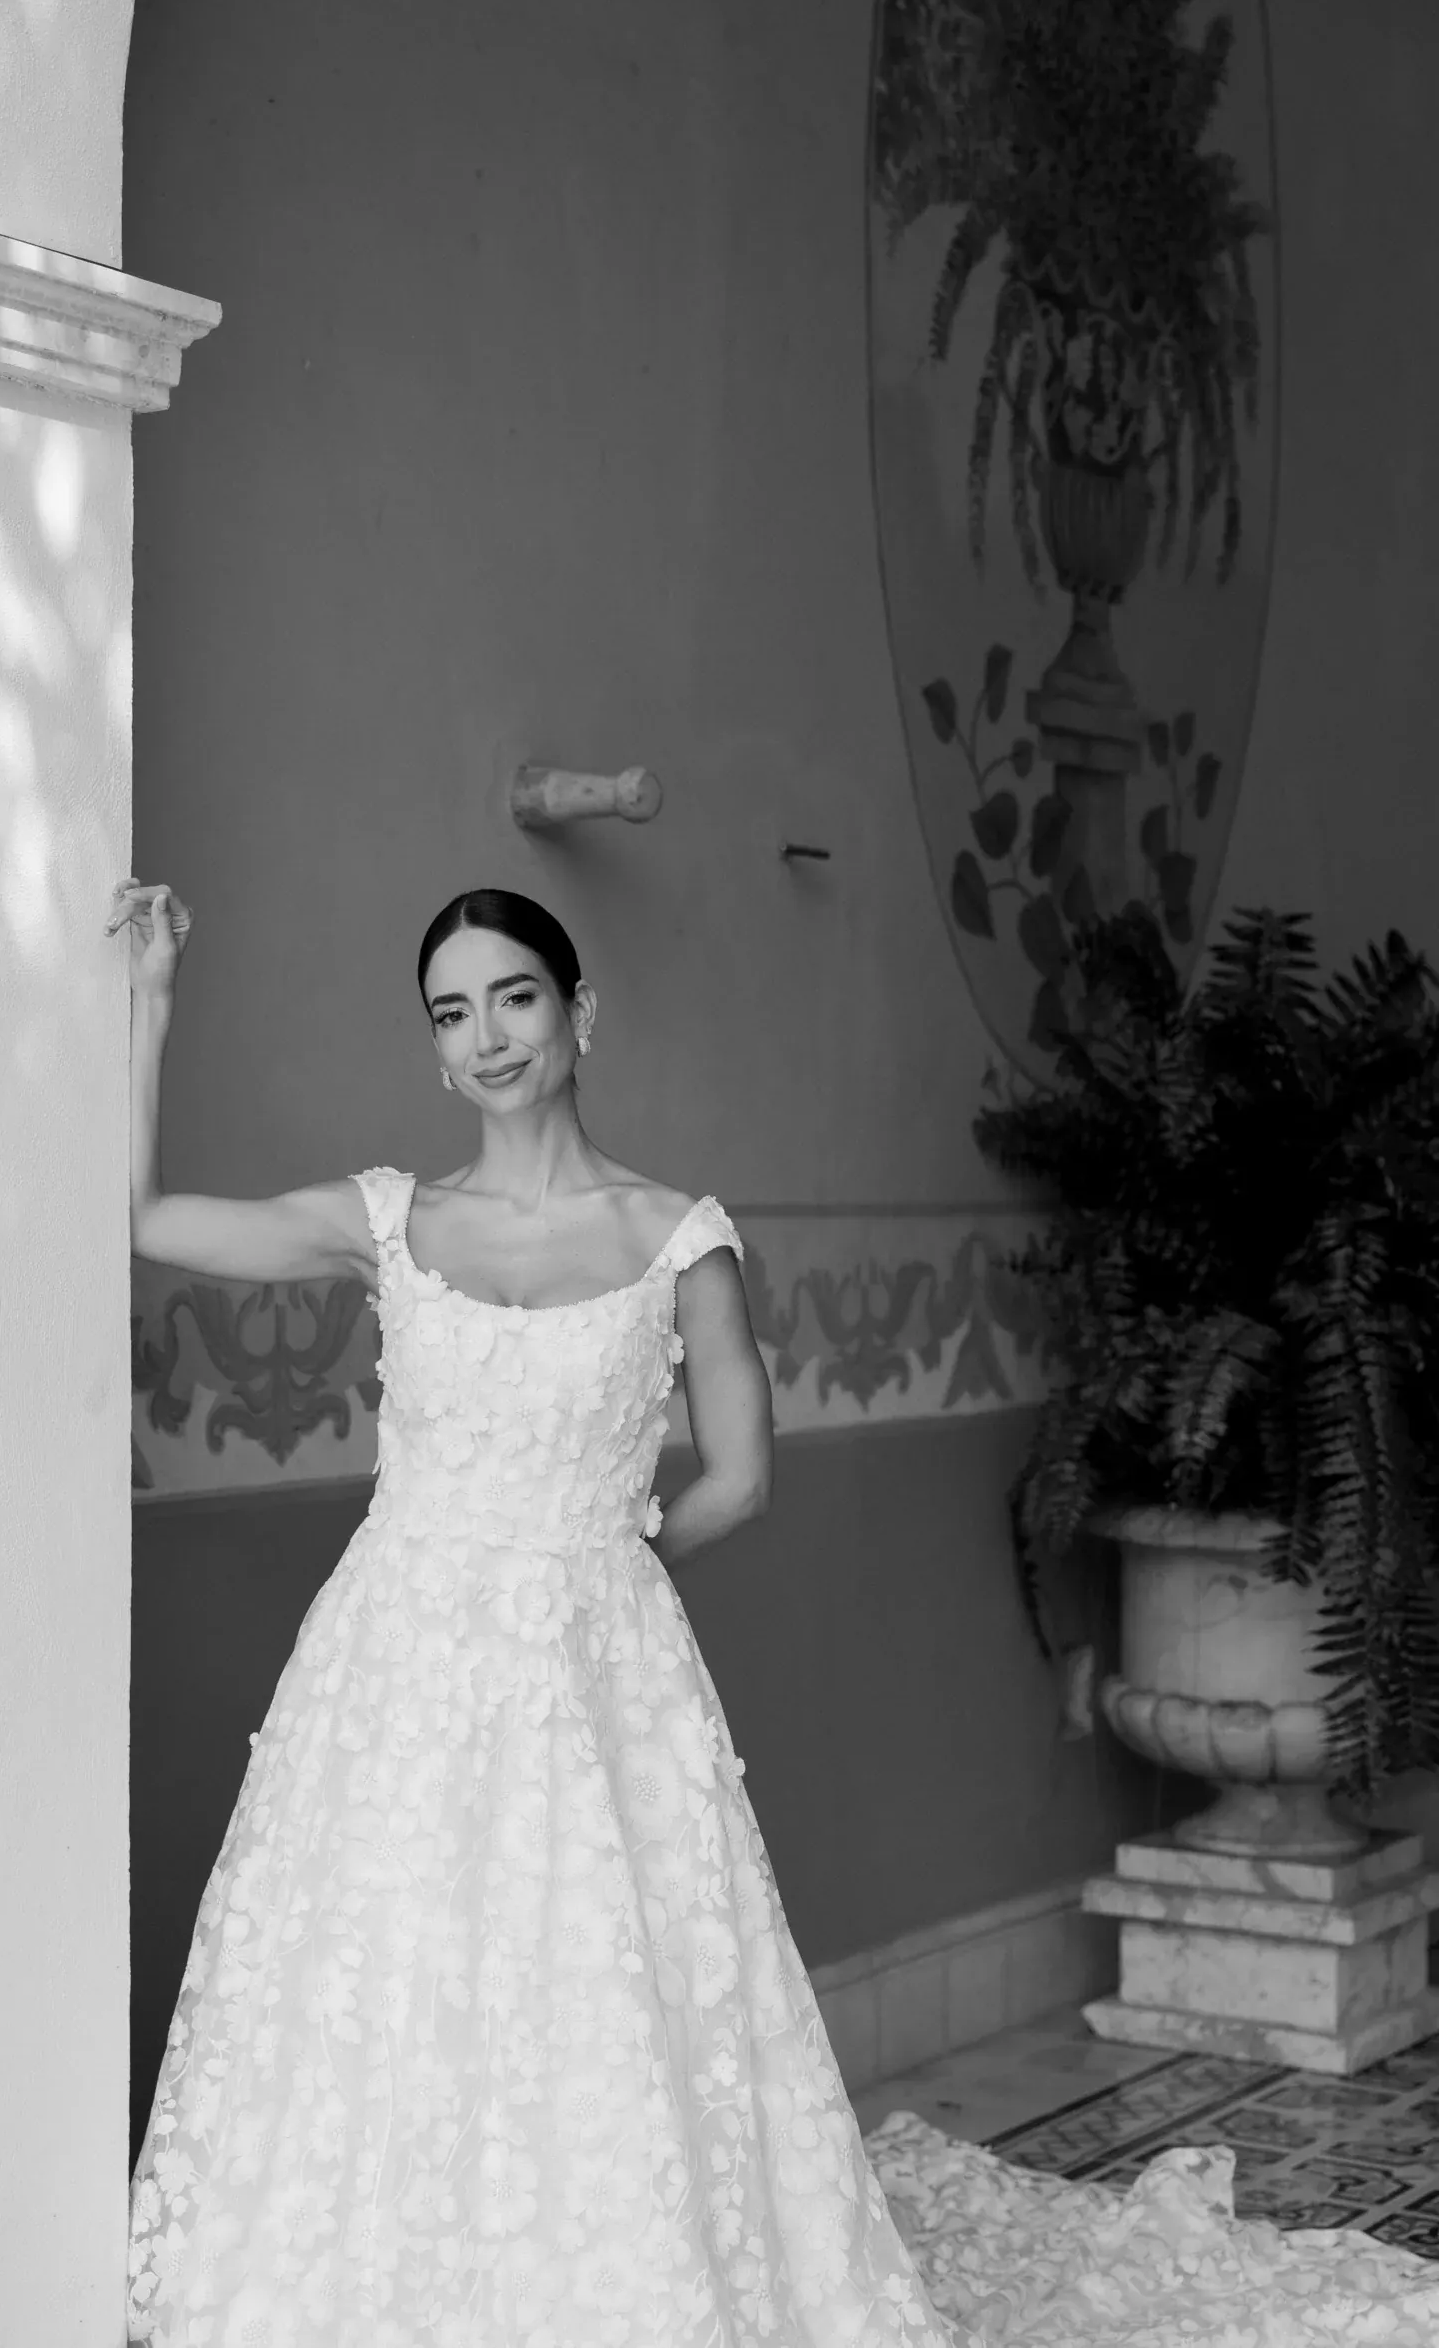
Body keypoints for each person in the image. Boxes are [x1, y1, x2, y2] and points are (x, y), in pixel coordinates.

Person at [114, 879, 1439, 2348]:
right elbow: (151, 1216)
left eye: (514, 997)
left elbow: (743, 1478)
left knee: (588, 1990)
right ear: (433, 1054)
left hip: (590, 1678)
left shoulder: (681, 1239)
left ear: (578, 1013)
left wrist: (596, 1574)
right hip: (391, 1672)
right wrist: (153, 998)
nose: (485, 1036)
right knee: (390, 1972)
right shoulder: (388, 1220)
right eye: (451, 1012)